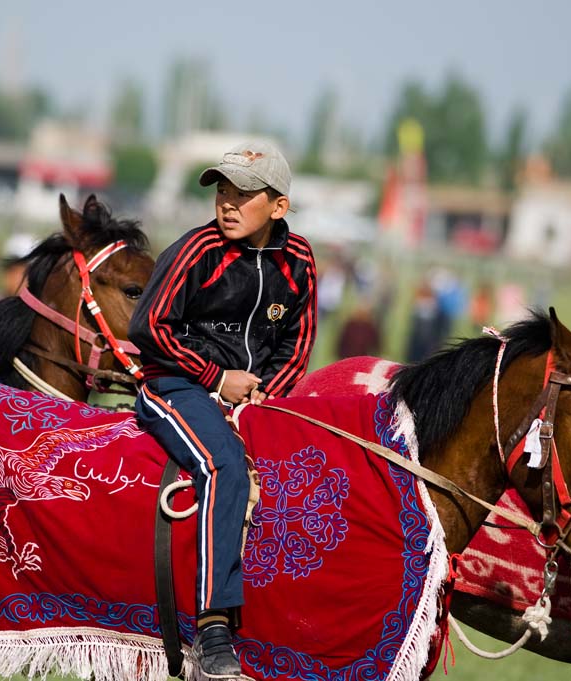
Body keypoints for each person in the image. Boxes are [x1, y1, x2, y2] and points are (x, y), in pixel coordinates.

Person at [129, 141, 317, 679]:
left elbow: (296, 347)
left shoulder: (299, 259)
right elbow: (148, 328)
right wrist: (217, 379)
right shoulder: (196, 250)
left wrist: (264, 394)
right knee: (224, 465)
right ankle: (213, 632)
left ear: (278, 206)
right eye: (222, 192)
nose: (227, 204)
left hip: (258, 396)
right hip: (177, 387)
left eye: (243, 194)